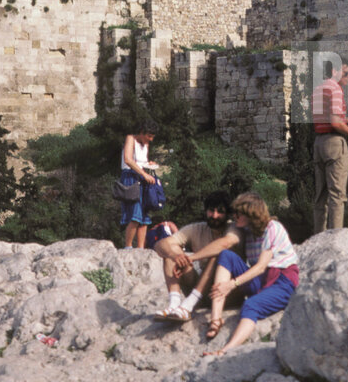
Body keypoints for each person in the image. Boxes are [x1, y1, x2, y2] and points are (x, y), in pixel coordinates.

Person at [197, 192, 299, 355]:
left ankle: (225, 350)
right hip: (261, 280)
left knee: (251, 305)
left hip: (282, 281)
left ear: (251, 214)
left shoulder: (272, 228)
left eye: (239, 213)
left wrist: (231, 284)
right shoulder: (247, 231)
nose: (234, 216)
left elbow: (260, 267)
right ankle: (216, 319)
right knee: (226, 255)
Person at [152, 191, 243, 322]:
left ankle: (189, 305)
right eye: (211, 211)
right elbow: (160, 244)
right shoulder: (197, 229)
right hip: (203, 294)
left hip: (228, 294)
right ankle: (174, 305)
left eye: (220, 211)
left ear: (227, 213)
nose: (215, 215)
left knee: (219, 254)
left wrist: (192, 258)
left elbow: (225, 243)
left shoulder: (234, 229)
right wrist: (174, 256)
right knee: (170, 251)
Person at [311, 61, 348, 233]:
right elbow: (335, 123)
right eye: (346, 73)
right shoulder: (335, 89)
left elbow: (326, 119)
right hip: (334, 144)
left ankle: (318, 235)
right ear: (334, 71)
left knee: (320, 196)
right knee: (337, 194)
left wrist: (345, 120)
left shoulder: (319, 89)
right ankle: (335, 237)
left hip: (319, 143)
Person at [119, 121, 159, 249]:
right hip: (131, 177)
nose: (151, 139)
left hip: (142, 178)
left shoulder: (145, 144)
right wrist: (144, 174)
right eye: (149, 136)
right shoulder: (131, 139)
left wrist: (149, 164)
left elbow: (143, 161)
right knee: (135, 214)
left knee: (144, 215)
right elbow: (128, 159)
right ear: (142, 133)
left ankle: (141, 248)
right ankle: (128, 246)